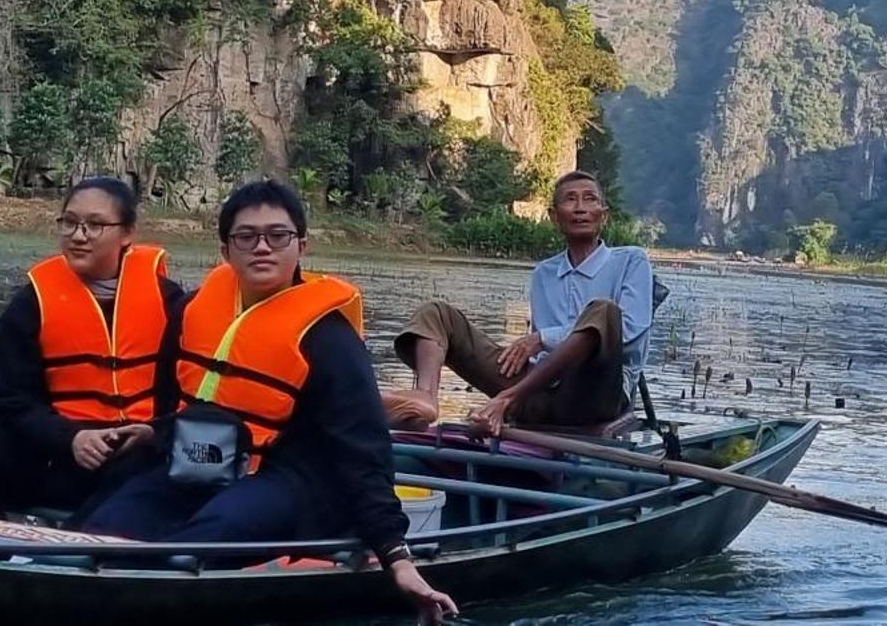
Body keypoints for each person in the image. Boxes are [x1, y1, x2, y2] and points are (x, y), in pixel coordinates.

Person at [83, 180, 456, 625]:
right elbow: (178, 406)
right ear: (225, 250)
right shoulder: (192, 311)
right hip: (203, 465)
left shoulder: (329, 340)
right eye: (247, 237)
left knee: (207, 539)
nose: (262, 248)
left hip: (295, 479)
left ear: (302, 245)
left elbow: (365, 455)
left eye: (278, 236)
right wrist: (156, 432)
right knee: (101, 533)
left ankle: (150, 600)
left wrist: (397, 558)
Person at [0, 175, 183, 518]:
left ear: (127, 233)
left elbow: (189, 394)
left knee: (151, 472)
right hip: (57, 455)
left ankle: (81, 543)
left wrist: (153, 433)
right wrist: (70, 438)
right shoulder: (31, 303)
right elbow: (13, 404)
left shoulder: (170, 303)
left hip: (136, 455)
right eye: (70, 223)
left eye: (95, 225)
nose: (79, 236)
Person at [386, 170, 654, 436]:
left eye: (590, 199)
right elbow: (541, 358)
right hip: (539, 392)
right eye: (570, 200)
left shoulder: (631, 260)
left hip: (598, 396)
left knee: (604, 311)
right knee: (437, 314)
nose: (581, 208)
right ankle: (424, 399)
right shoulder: (544, 273)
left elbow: (628, 330)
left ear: (603, 215)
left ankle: (505, 400)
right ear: (554, 216)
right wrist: (527, 355)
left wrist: (540, 339)